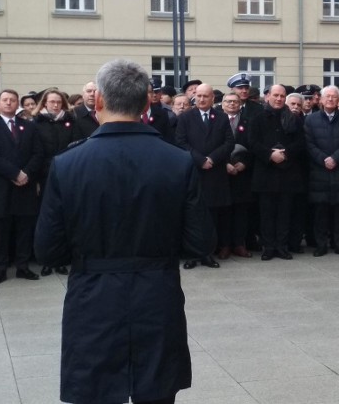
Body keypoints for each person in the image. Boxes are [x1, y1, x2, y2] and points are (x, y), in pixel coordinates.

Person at [35, 59, 212, 404]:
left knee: (96, 392)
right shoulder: (177, 161)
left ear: (98, 101)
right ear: (147, 104)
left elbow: (47, 250)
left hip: (93, 297)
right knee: (157, 392)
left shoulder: (68, 164)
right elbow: (201, 242)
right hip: (157, 293)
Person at [0, 89, 44, 284]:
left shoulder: (29, 127)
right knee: (1, 229)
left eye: (12, 100)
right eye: (5, 100)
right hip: (3, 185)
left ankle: (23, 266)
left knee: (25, 227)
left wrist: (26, 173)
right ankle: (0, 268)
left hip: (26, 184)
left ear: (18, 104)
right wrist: (14, 173)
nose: (8, 103)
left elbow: (38, 153)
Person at [175, 83, 235, 269]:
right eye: (198, 96)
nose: (201, 99)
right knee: (192, 216)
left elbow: (229, 142)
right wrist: (200, 159)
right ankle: (192, 255)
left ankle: (208, 254)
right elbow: (180, 142)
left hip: (215, 174)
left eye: (205, 96)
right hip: (194, 172)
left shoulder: (222, 118)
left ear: (212, 98)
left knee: (212, 217)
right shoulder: (186, 117)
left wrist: (212, 159)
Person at [248, 84, 305, 260]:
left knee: (284, 212)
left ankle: (281, 246)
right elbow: (252, 142)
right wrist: (270, 155)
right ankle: (269, 246)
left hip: (288, 173)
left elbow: (300, 142)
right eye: (276, 95)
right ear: (268, 97)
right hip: (265, 172)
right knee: (266, 213)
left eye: (282, 96)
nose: (279, 99)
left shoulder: (294, 118)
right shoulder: (257, 118)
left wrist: (285, 154)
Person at [304, 85, 339, 257]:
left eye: (334, 96)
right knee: (320, 211)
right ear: (322, 99)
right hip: (320, 171)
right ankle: (321, 245)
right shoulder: (311, 120)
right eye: (328, 96)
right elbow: (309, 144)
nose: (331, 99)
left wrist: (335, 158)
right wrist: (323, 159)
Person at [32, 89, 74, 276]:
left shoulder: (70, 122)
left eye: (59, 102)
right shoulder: (36, 123)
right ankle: (47, 260)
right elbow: (35, 151)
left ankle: (62, 258)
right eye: (52, 102)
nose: (55, 105)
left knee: (66, 218)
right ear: (45, 103)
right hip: (44, 175)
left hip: (67, 173)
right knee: (47, 218)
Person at [219, 91, 254, 259]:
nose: (232, 104)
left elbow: (254, 145)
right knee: (224, 211)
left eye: (235, 101)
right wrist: (223, 163)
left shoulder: (249, 122)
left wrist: (244, 164)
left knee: (241, 211)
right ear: (222, 104)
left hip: (242, 174)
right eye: (228, 101)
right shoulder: (216, 121)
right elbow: (211, 144)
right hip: (221, 172)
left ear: (240, 104)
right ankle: (224, 245)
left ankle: (239, 244)